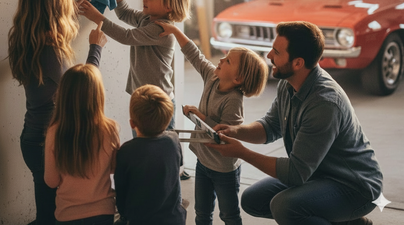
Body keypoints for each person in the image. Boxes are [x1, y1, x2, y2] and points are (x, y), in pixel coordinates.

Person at [207, 21, 383, 225]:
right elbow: (270, 127)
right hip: (317, 174)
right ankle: (348, 221)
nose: (269, 56)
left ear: (298, 63)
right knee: (252, 200)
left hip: (354, 187)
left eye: (276, 52)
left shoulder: (324, 104)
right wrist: (236, 131)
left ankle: (346, 214)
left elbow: (295, 173)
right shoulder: (288, 84)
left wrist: (242, 152)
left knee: (285, 206)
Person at [8, 0, 107, 225]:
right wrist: (96, 48)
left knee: (47, 212)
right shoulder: (51, 50)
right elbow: (81, 92)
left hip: (33, 138)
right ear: (55, 6)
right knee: (53, 217)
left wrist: (75, 12)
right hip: (46, 144)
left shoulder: (26, 39)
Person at [156, 21, 268, 225]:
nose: (221, 59)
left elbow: (225, 134)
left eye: (228, 61)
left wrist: (199, 115)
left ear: (238, 79)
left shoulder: (233, 100)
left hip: (224, 169)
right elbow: (194, 54)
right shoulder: (212, 77)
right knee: (202, 213)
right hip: (203, 161)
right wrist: (175, 30)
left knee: (229, 215)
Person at [78, 0, 191, 132]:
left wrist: (97, 17)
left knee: (155, 151)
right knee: (141, 144)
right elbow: (124, 13)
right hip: (142, 99)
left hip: (157, 104)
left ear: (168, 6)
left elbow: (126, 37)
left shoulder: (161, 29)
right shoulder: (146, 19)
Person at [44, 64, 120, 225]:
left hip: (67, 215)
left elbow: (51, 181)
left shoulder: (54, 132)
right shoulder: (111, 128)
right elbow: (115, 171)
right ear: (98, 95)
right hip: (103, 213)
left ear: (64, 95)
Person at [114, 84, 187, 225]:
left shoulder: (126, 152)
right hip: (173, 219)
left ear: (132, 123)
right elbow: (175, 174)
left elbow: (121, 194)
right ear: (167, 121)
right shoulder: (173, 140)